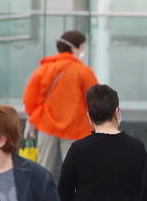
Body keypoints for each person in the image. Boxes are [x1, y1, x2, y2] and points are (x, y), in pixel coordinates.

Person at [22, 29, 98, 177]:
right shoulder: (83, 72)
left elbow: (29, 99)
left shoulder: (44, 69)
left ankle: (41, 199)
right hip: (75, 128)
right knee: (74, 172)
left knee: (42, 169)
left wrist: (34, 118)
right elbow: (94, 100)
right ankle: (72, 200)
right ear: (77, 48)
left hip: (46, 124)